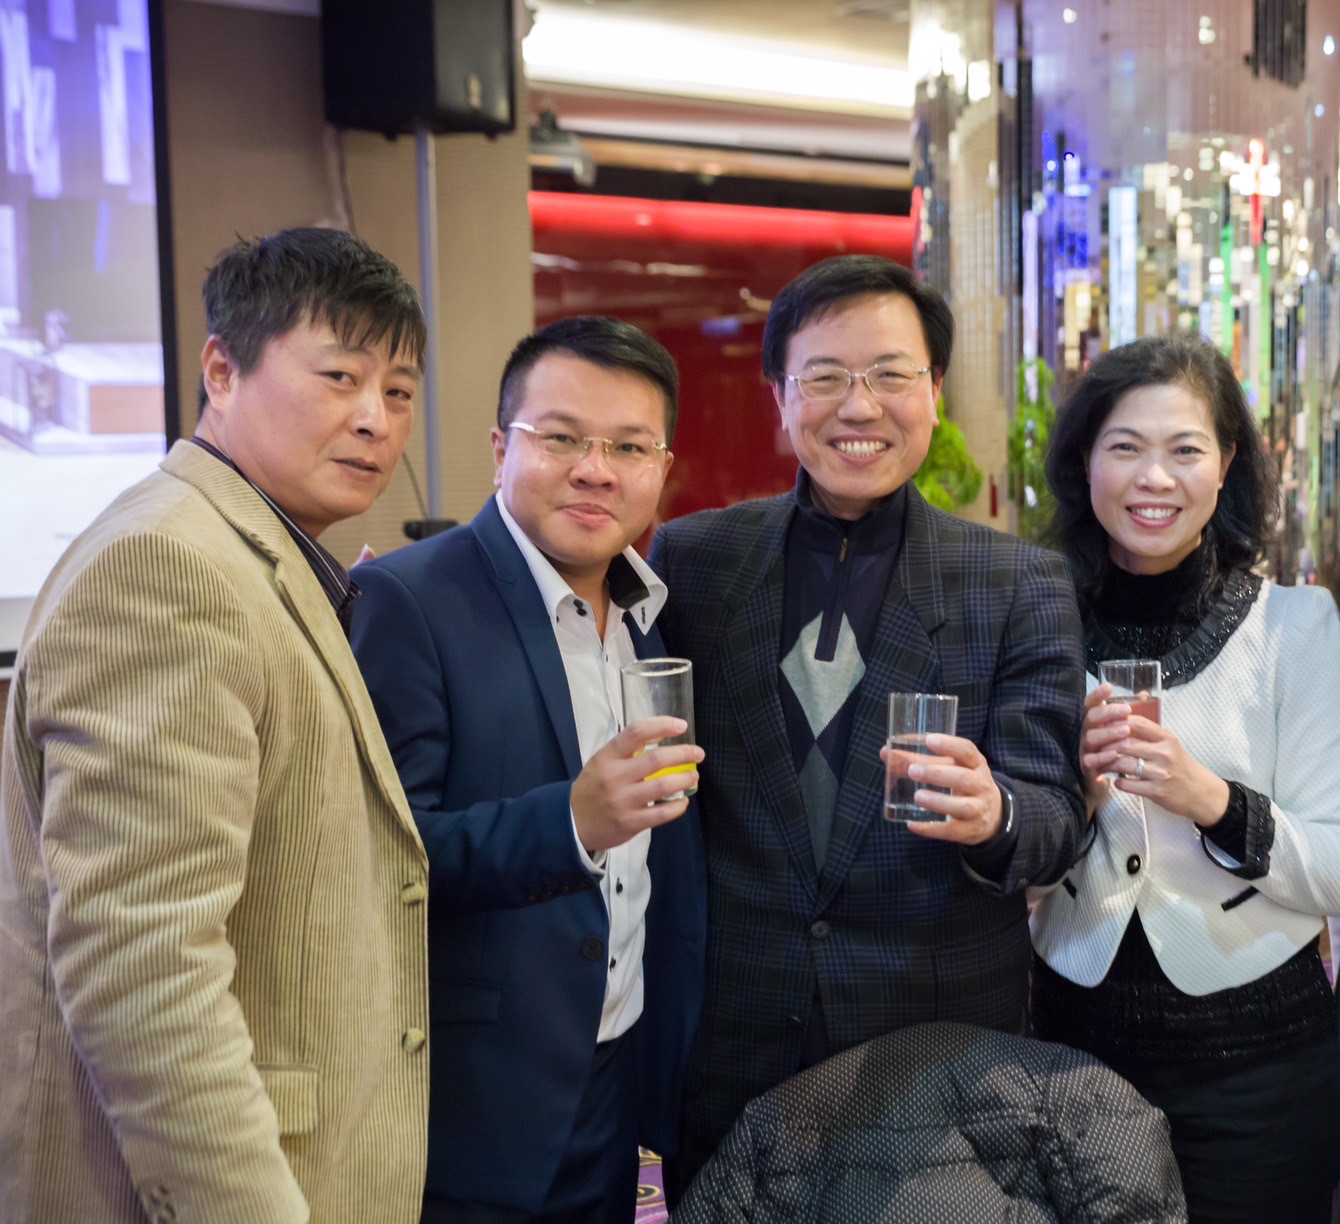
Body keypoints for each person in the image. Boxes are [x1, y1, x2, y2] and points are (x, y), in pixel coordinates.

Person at [0, 227, 431, 1222]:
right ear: (222, 370)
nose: (374, 418)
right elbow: (144, 965)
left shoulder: (248, 552)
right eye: (339, 377)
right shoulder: (170, 568)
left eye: (399, 390)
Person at [648, 253, 1088, 1181]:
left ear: (933, 392)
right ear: (781, 396)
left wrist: (996, 813)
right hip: (731, 1045)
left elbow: (1054, 818)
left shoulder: (1017, 581)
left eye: (890, 375)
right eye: (825, 377)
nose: (860, 407)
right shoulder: (694, 559)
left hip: (933, 1057)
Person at [349, 315, 707, 1224]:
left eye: (628, 446)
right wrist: (572, 823)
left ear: (662, 467)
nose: (596, 469)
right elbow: (378, 859)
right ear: (502, 448)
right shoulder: (408, 600)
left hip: (617, 1082)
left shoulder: (650, 621)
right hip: (480, 1104)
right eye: (562, 438)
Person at [1029, 331, 1340, 1223]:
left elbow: (1334, 868)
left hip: (1260, 1073)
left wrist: (1209, 799)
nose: (1154, 479)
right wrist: (1077, 798)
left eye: (1185, 450)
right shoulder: (1036, 622)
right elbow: (1009, 866)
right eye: (1126, 447)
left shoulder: (1296, 627)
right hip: (1069, 1056)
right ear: (1086, 462)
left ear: (1227, 463)